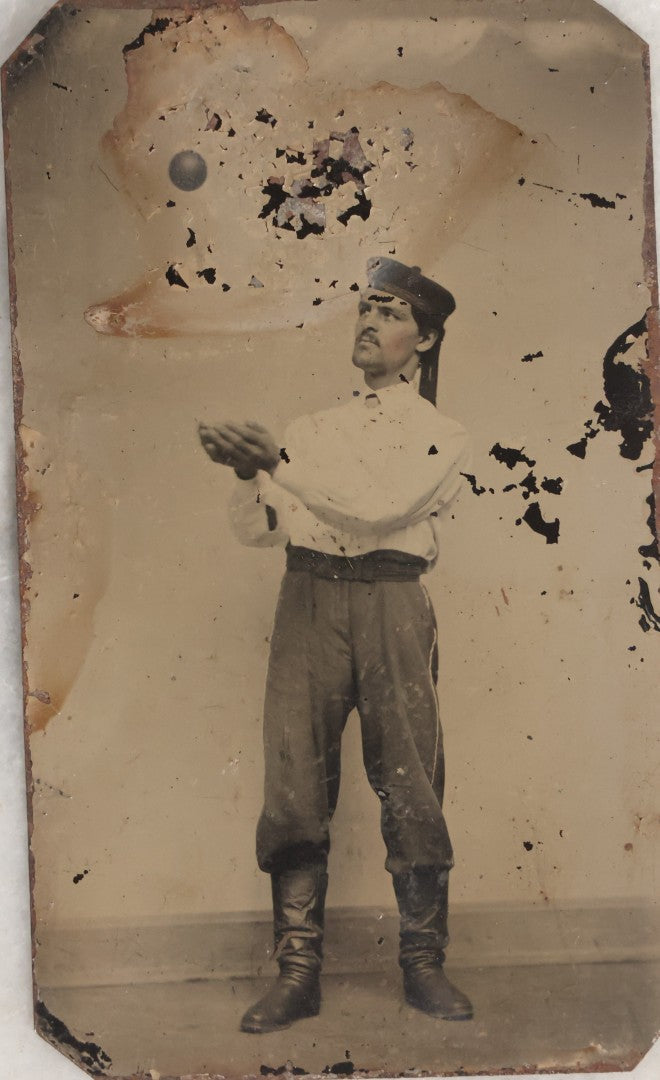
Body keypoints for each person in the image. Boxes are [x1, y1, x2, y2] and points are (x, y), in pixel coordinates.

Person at [198, 257, 473, 1034]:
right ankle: (296, 973)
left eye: (389, 312)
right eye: (364, 308)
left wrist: (280, 464)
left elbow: (373, 511)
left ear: (424, 340)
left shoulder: (442, 435)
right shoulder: (312, 429)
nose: (369, 322)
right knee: (293, 784)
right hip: (307, 602)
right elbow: (262, 530)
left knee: (412, 782)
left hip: (391, 601)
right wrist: (252, 476)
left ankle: (424, 965)